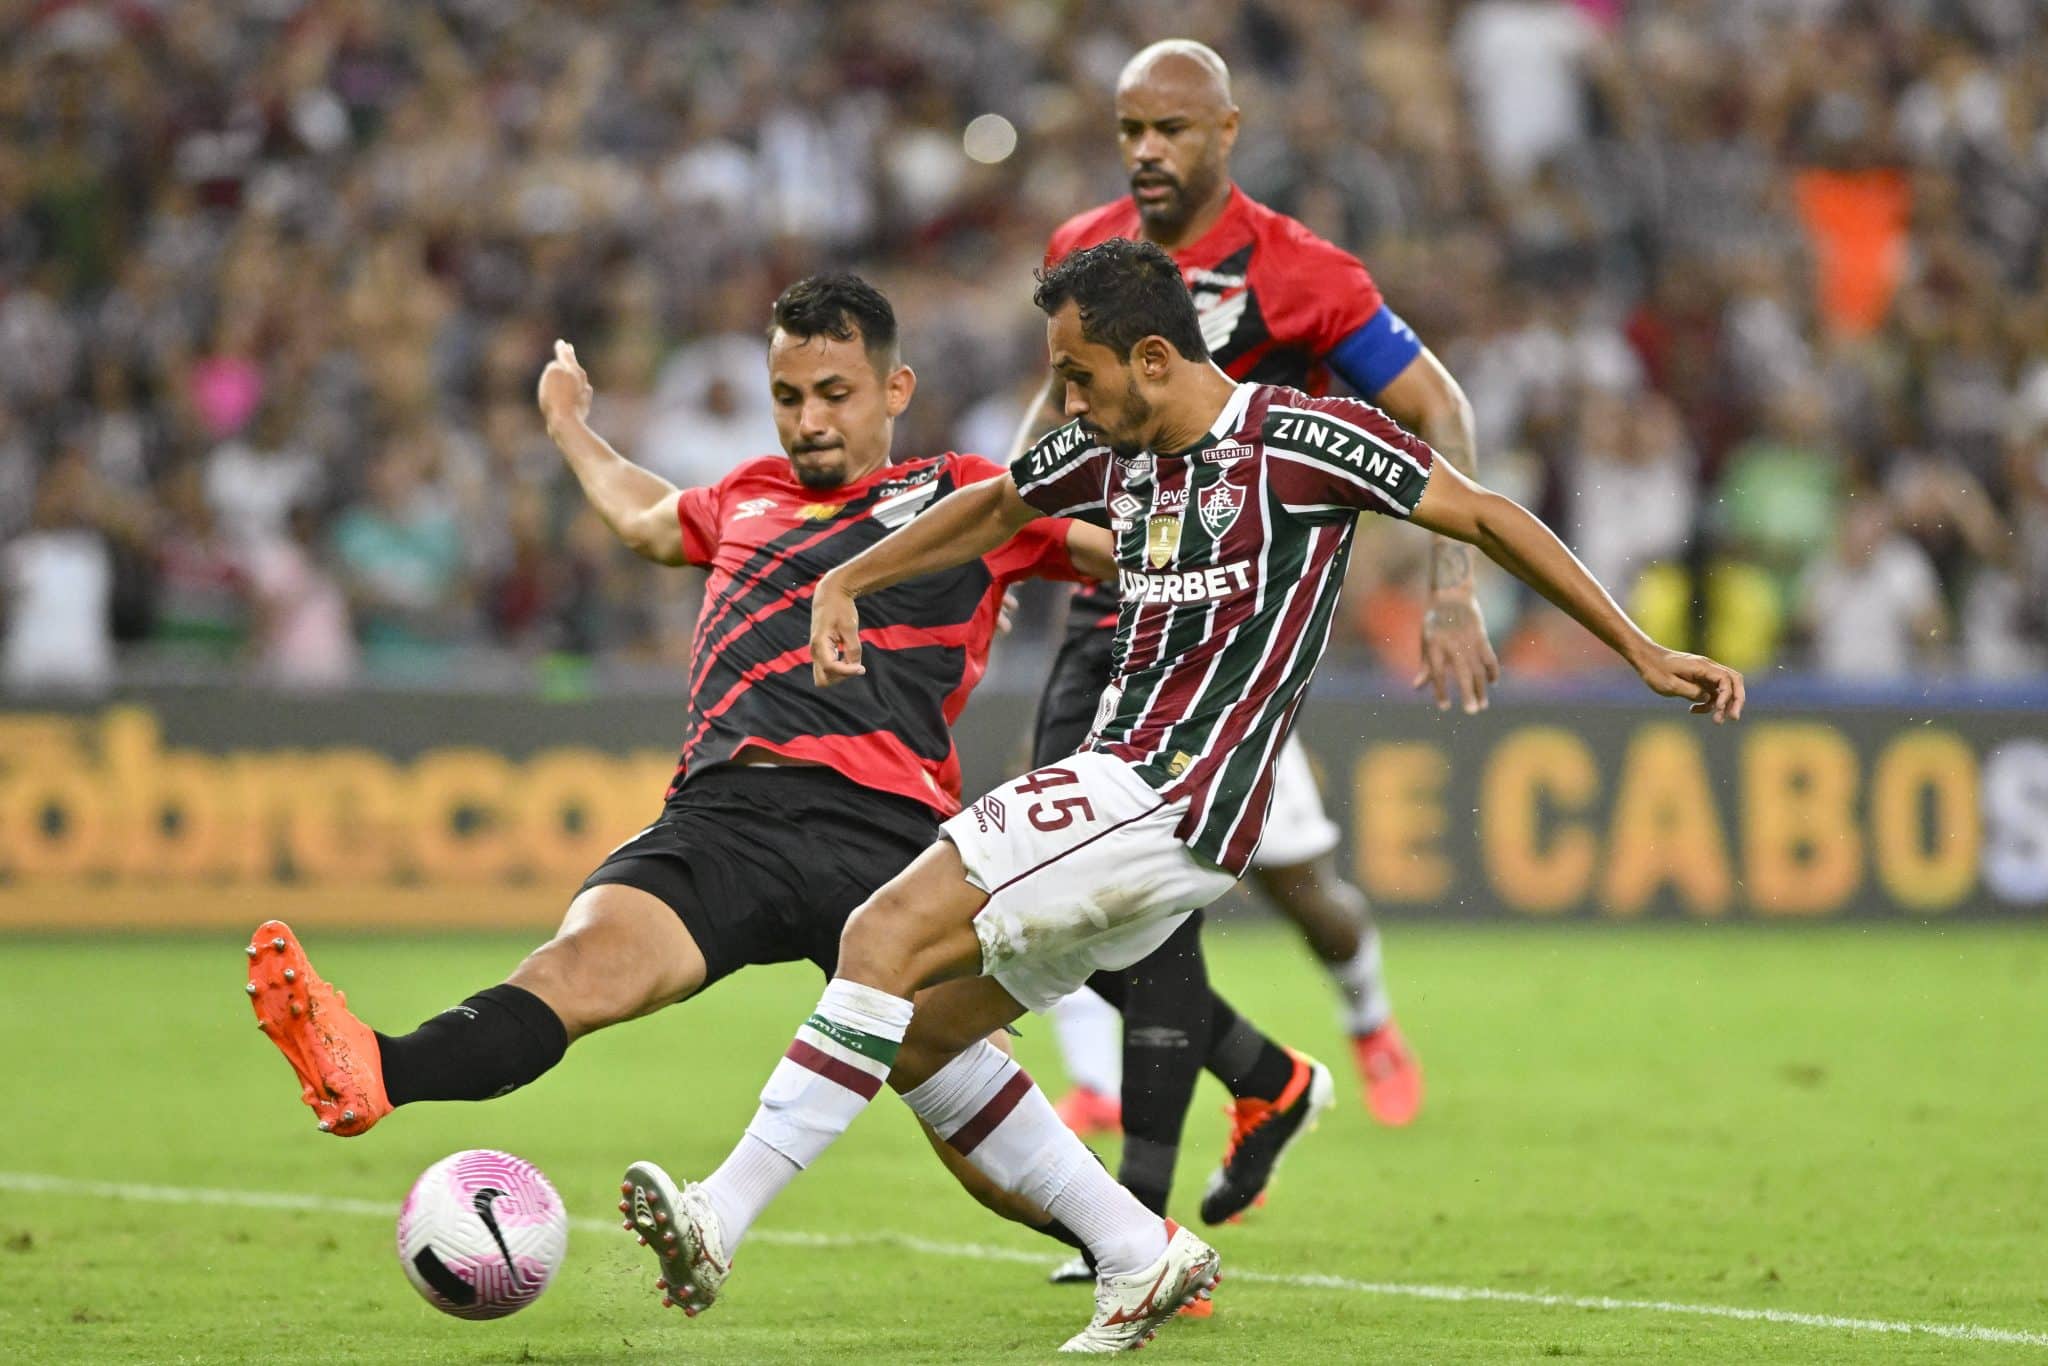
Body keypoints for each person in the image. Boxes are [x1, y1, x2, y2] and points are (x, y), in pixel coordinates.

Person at [633, 239, 1743, 1354]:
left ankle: (718, 1218)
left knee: (879, 933)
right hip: (1148, 810)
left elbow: (1485, 514)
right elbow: (997, 507)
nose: (1067, 401)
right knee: (923, 1033)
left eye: (1079, 376)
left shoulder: (1304, 440)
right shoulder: (1112, 445)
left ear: (1154, 359)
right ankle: (1137, 1252)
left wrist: (1641, 652)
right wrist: (848, 577)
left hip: (1168, 790)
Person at [242, 270, 1311, 1309]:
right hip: (723, 818)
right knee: (574, 969)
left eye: (834, 394)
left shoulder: (963, 496)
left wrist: (1236, 564)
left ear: (894, 390)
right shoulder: (742, 495)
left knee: (957, 1094)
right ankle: (377, 1068)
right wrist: (569, 424)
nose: (809, 421)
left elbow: (1139, 553)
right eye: (789, 397)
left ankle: (1135, 1247)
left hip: (884, 839)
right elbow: (644, 517)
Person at [1011, 40, 1494, 1145]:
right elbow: (1055, 412)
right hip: (1119, 599)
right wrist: (1006, 542)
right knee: (1053, 849)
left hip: (1239, 629)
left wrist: (1450, 589)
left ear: (1227, 133)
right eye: (1129, 129)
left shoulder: (1304, 273)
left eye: (1170, 129)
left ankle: (1365, 1016)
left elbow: (1440, 410)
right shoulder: (1085, 247)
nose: (1145, 150)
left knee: (1300, 891)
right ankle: (1105, 1086)